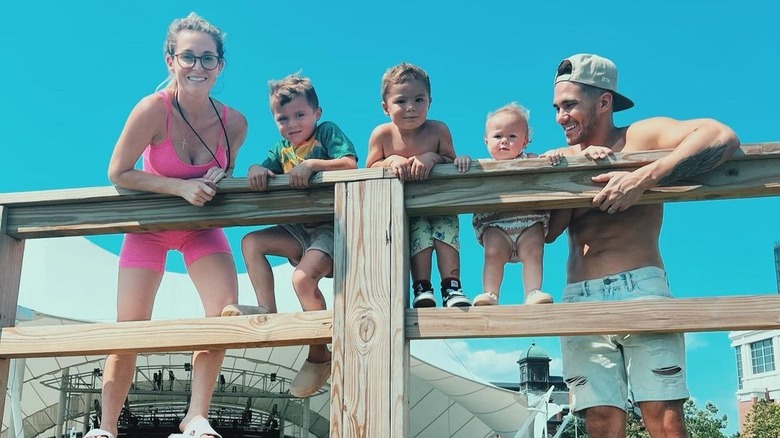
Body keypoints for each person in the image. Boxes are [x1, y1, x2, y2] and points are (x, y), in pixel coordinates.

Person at [543, 53, 740, 437]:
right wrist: (563, 175)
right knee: (598, 418)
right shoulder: (563, 156)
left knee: (663, 413)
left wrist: (644, 177)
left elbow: (721, 135)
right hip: (580, 295)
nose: (560, 117)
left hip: (641, 286)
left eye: (569, 106)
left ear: (603, 102)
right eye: (556, 108)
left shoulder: (640, 137)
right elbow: (548, 234)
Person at [85, 12, 248, 438]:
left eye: (208, 59)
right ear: (170, 60)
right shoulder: (152, 109)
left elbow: (225, 172)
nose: (198, 67)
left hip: (201, 228)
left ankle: (196, 417)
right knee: (130, 330)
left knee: (222, 314)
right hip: (149, 227)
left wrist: (219, 180)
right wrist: (178, 188)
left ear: (221, 66)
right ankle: (106, 428)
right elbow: (118, 172)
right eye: (188, 57)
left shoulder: (235, 123)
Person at [222, 73, 358, 398]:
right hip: (298, 231)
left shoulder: (327, 133)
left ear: (317, 113)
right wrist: (257, 168)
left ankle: (320, 351)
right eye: (282, 118)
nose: (292, 124)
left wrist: (312, 164)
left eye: (299, 115)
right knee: (251, 242)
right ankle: (266, 308)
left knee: (301, 281)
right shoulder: (282, 148)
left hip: (330, 229)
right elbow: (266, 167)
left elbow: (351, 165)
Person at [366, 62, 471, 308]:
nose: (410, 108)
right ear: (385, 107)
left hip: (440, 202)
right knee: (419, 239)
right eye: (401, 101)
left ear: (429, 102)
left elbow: (450, 159)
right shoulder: (382, 135)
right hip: (406, 210)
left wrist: (431, 157)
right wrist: (390, 159)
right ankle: (422, 287)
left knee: (447, 237)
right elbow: (370, 167)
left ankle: (452, 287)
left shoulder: (437, 130)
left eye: (419, 100)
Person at [455, 103, 553, 306]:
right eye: (498, 136)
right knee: (492, 254)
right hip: (496, 226)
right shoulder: (481, 166)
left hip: (528, 223)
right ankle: (491, 293)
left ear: (525, 142)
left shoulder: (531, 160)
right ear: (486, 141)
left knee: (535, 252)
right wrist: (463, 160)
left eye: (512, 136)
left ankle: (533, 292)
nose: (504, 141)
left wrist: (552, 156)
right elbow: (464, 170)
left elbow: (547, 161)